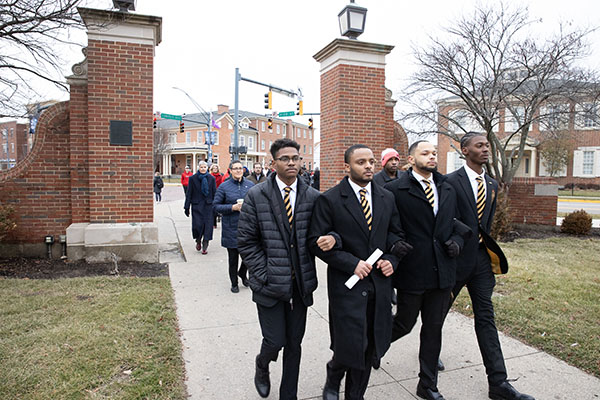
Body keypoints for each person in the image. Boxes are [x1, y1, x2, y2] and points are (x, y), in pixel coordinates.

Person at [308, 144, 410, 400]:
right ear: (347, 166)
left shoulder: (387, 197)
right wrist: (350, 262)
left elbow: (395, 234)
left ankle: (355, 395)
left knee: (370, 345)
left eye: (371, 162)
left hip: (380, 285)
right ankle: (334, 375)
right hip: (348, 286)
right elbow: (317, 243)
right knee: (351, 344)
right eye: (361, 162)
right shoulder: (329, 199)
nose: (368, 167)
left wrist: (391, 260)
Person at [445, 133, 535, 400]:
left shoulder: (492, 184)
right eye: (479, 146)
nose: (486, 149)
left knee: (486, 318)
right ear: (465, 151)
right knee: (436, 314)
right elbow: (444, 220)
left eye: (487, 145)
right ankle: (424, 353)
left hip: (482, 262)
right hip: (456, 261)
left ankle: (498, 383)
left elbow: (486, 222)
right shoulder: (450, 182)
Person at [238, 138, 323, 400]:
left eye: (295, 158)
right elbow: (246, 241)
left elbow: (322, 236)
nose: (291, 163)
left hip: (300, 286)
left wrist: (334, 240)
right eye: (285, 159)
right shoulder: (256, 195)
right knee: (276, 341)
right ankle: (262, 364)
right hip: (269, 285)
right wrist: (262, 274)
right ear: (273, 163)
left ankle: (289, 394)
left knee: (294, 344)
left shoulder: (313, 197)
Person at [384, 140, 467, 400]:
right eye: (425, 153)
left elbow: (458, 223)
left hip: (443, 270)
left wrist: (457, 241)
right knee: (404, 323)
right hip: (413, 270)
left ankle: (428, 385)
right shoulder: (395, 190)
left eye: (434, 153)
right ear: (411, 160)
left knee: (433, 328)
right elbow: (386, 228)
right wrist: (396, 245)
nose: (432, 157)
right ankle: (369, 349)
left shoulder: (447, 187)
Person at [213, 160, 254, 293]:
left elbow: (257, 203)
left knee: (249, 256)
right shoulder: (224, 187)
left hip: (248, 227)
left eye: (240, 168)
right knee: (233, 258)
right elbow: (216, 206)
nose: (238, 171)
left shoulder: (250, 185)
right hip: (231, 227)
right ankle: (234, 283)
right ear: (230, 170)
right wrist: (232, 207)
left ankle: (242, 273)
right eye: (235, 168)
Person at [184, 161, 216, 254]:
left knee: (208, 226)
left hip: (208, 206)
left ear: (207, 168)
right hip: (197, 205)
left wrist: (216, 206)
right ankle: (198, 240)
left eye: (204, 167)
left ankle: (205, 244)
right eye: (201, 167)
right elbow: (189, 193)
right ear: (198, 168)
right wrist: (186, 207)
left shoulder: (211, 178)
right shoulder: (193, 178)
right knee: (198, 225)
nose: (203, 169)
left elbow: (214, 192)